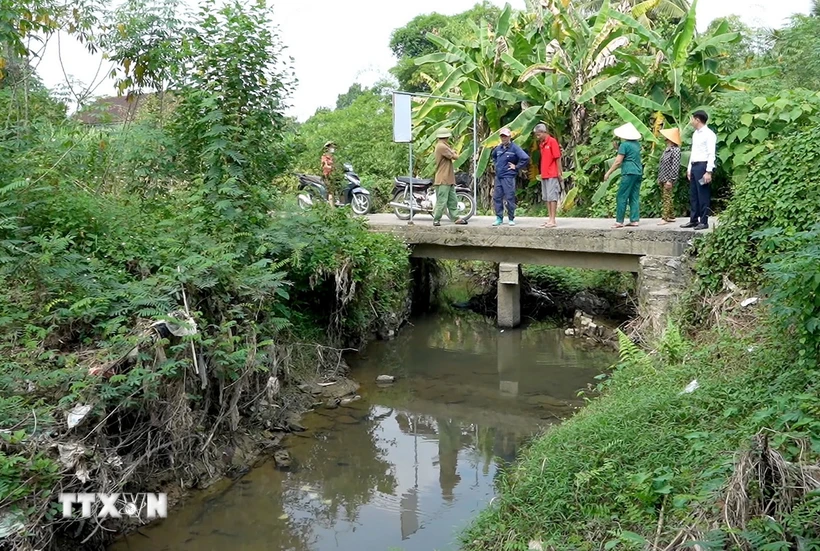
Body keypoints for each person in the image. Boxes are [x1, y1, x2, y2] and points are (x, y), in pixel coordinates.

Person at [681, 110, 717, 230]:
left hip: (703, 166)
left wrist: (709, 171)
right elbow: (693, 152)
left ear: (697, 120)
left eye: (692, 119)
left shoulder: (709, 134)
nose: (690, 121)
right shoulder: (695, 134)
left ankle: (704, 220)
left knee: (703, 194)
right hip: (695, 165)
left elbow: (711, 153)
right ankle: (694, 219)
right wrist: (689, 168)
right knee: (694, 194)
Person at [604, 122, 643, 229]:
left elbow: (618, 161)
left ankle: (619, 221)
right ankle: (634, 219)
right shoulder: (636, 144)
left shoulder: (624, 145)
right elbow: (630, 155)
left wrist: (608, 172)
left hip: (628, 172)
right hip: (638, 171)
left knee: (622, 196)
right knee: (634, 196)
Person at [491, 127, 530, 227]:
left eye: (505, 136)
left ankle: (511, 218)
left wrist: (516, 167)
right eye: (502, 137)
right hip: (499, 177)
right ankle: (499, 218)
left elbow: (525, 158)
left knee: (509, 197)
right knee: (497, 197)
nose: (504, 139)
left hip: (508, 177)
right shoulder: (498, 148)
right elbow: (494, 156)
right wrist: (497, 165)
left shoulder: (514, 148)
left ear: (509, 137)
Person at [432, 128, 468, 227]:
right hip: (443, 178)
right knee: (442, 201)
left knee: (453, 200)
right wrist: (454, 152)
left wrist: (452, 151)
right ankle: (436, 219)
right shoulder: (441, 146)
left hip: (448, 178)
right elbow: (455, 156)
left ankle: (456, 218)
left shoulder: (443, 146)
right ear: (446, 137)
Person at [533, 123, 563, 228]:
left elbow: (557, 157)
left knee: (552, 196)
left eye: (538, 134)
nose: (537, 137)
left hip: (552, 173)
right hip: (544, 174)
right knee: (546, 197)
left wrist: (559, 172)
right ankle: (549, 217)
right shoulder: (542, 144)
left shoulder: (552, 141)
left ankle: (553, 219)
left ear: (544, 132)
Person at [656, 127, 682, 225]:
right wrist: (660, 178)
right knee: (667, 197)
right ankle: (671, 215)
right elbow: (662, 165)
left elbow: (675, 166)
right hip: (663, 177)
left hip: (668, 178)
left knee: (666, 197)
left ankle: (665, 217)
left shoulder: (675, 150)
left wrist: (670, 180)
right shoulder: (667, 150)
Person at [321, 141, 336, 205]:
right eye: (331, 147)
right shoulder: (324, 157)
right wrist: (330, 167)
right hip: (327, 175)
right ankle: (332, 208)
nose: (333, 148)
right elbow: (325, 165)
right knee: (331, 191)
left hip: (334, 175)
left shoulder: (332, 157)